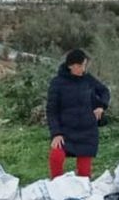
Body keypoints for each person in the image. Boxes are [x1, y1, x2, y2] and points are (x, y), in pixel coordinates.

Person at [45, 48, 109, 178]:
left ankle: (83, 188)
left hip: (87, 130)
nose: (83, 69)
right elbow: (51, 111)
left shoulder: (87, 79)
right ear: (70, 66)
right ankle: (56, 185)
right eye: (80, 66)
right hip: (65, 130)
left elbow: (104, 91)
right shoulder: (57, 83)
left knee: (84, 173)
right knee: (56, 156)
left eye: (84, 65)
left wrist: (101, 106)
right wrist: (56, 133)